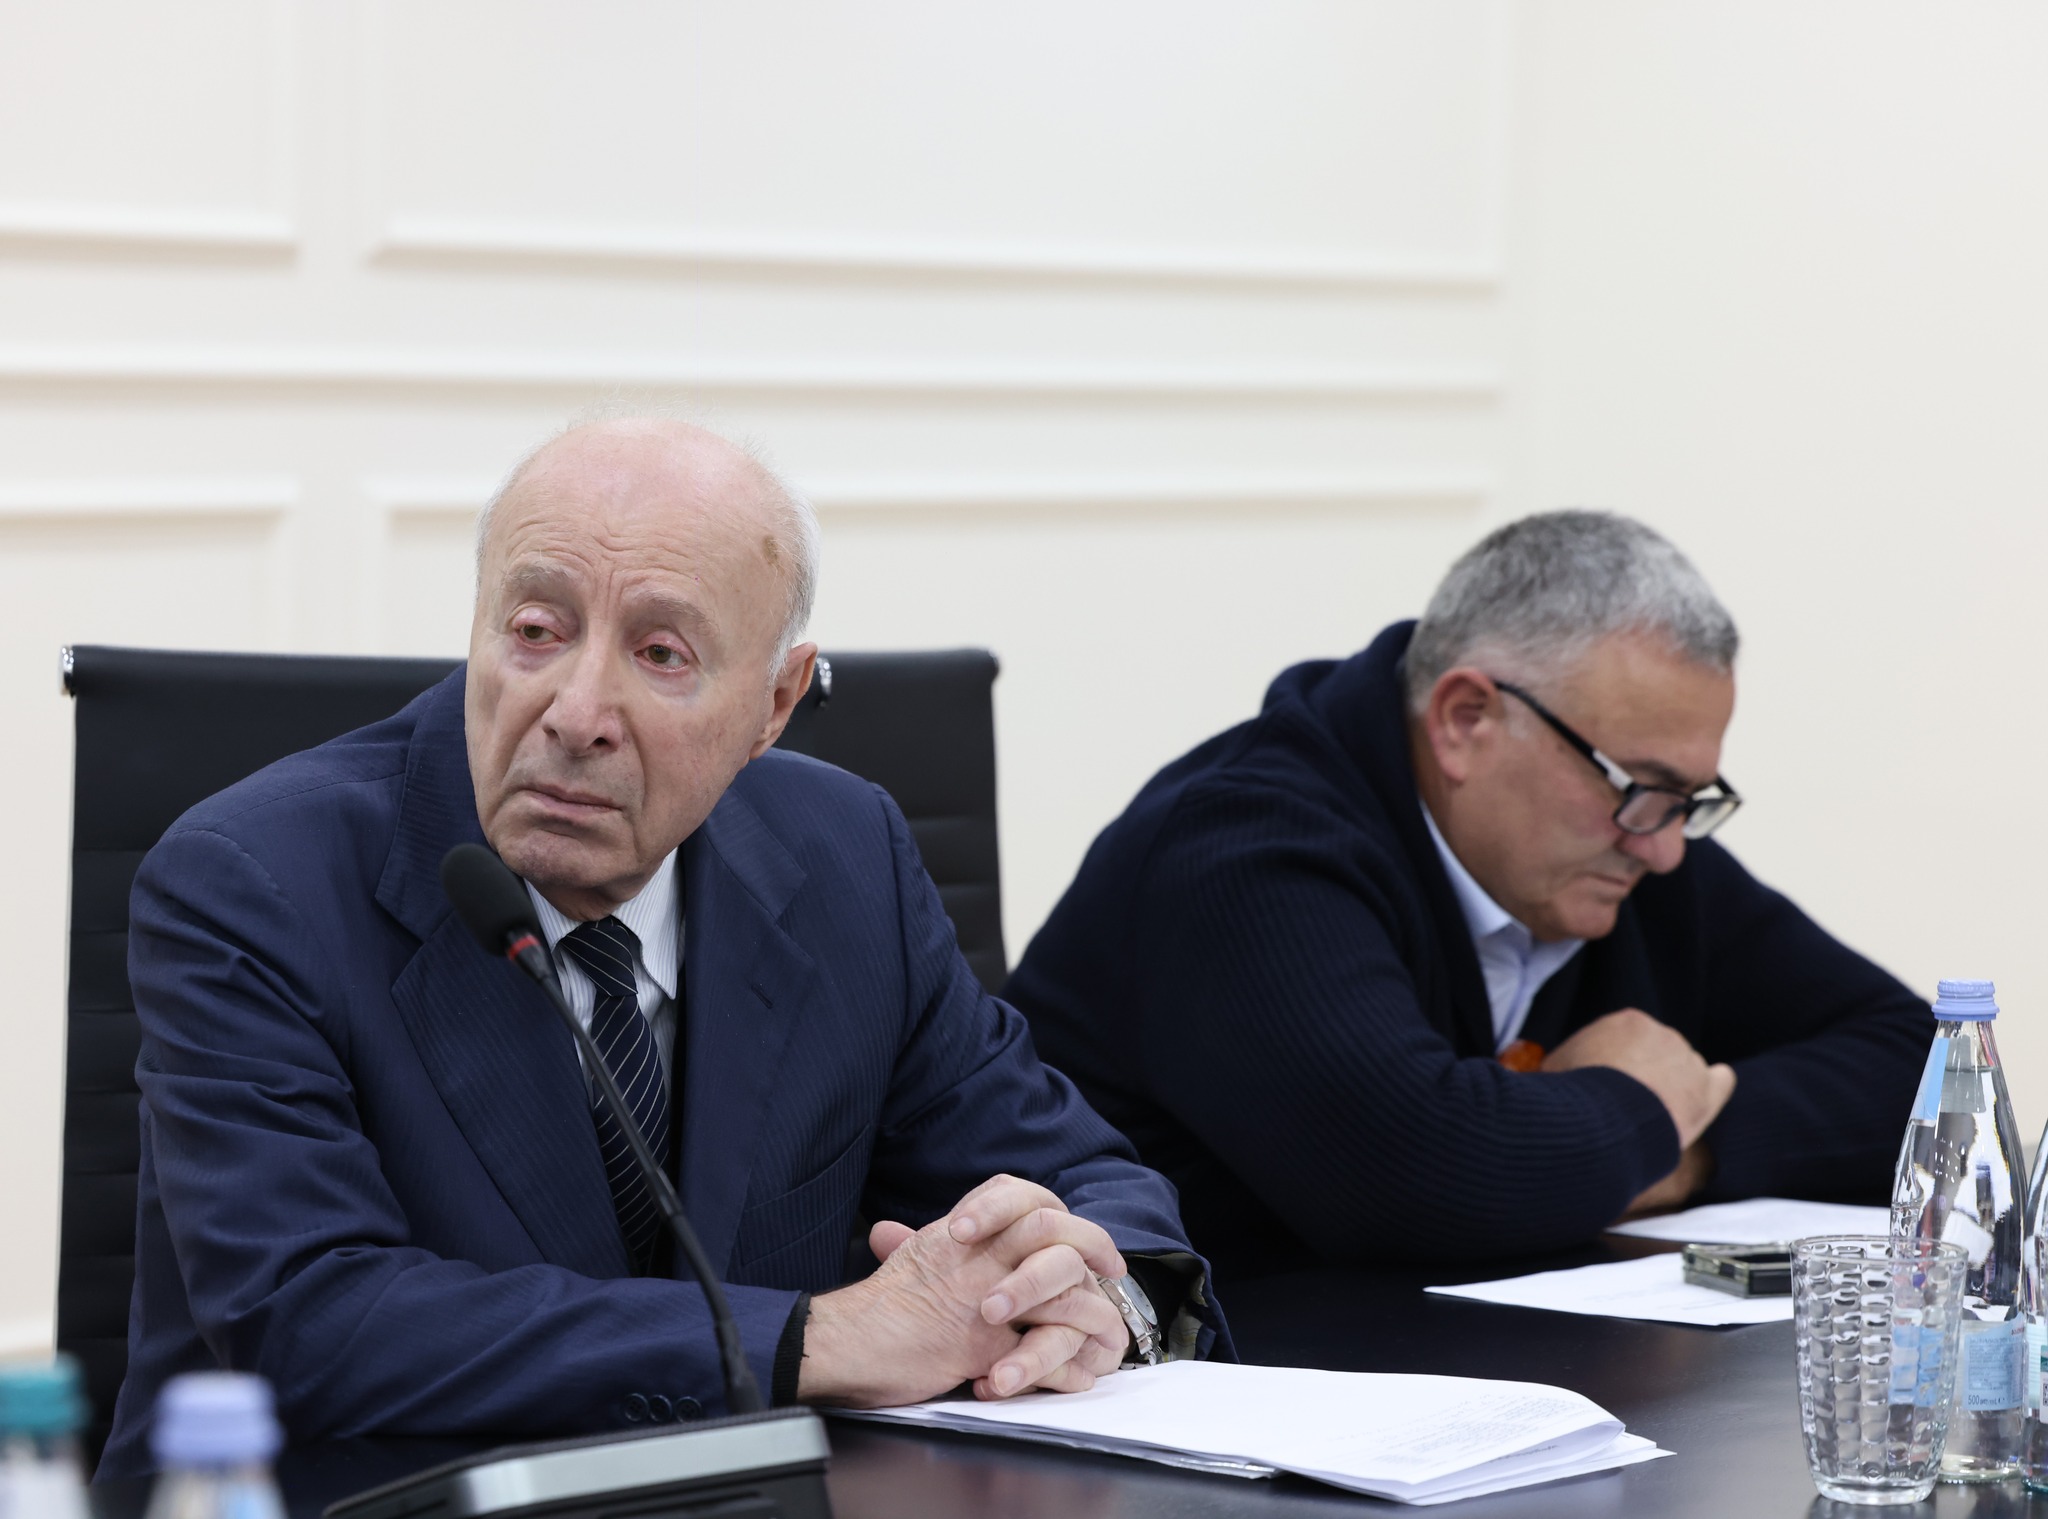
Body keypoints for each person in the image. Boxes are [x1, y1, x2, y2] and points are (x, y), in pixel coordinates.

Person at [102, 414, 1224, 1476]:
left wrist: (1090, 1299)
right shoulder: (252, 883)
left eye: (660, 653)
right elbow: (312, 1324)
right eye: (535, 632)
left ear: (775, 702)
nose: (575, 711)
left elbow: (1081, 1178)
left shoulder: (845, 858)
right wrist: (816, 1338)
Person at [1004, 511, 1932, 1286]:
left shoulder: (1627, 850)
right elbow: (1417, 1175)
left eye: (1689, 800)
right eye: (1640, 787)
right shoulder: (1241, 851)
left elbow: (1922, 1073)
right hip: (1170, 1398)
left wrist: (1675, 1144)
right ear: (1465, 720)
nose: (1662, 844)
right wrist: (1639, 1108)